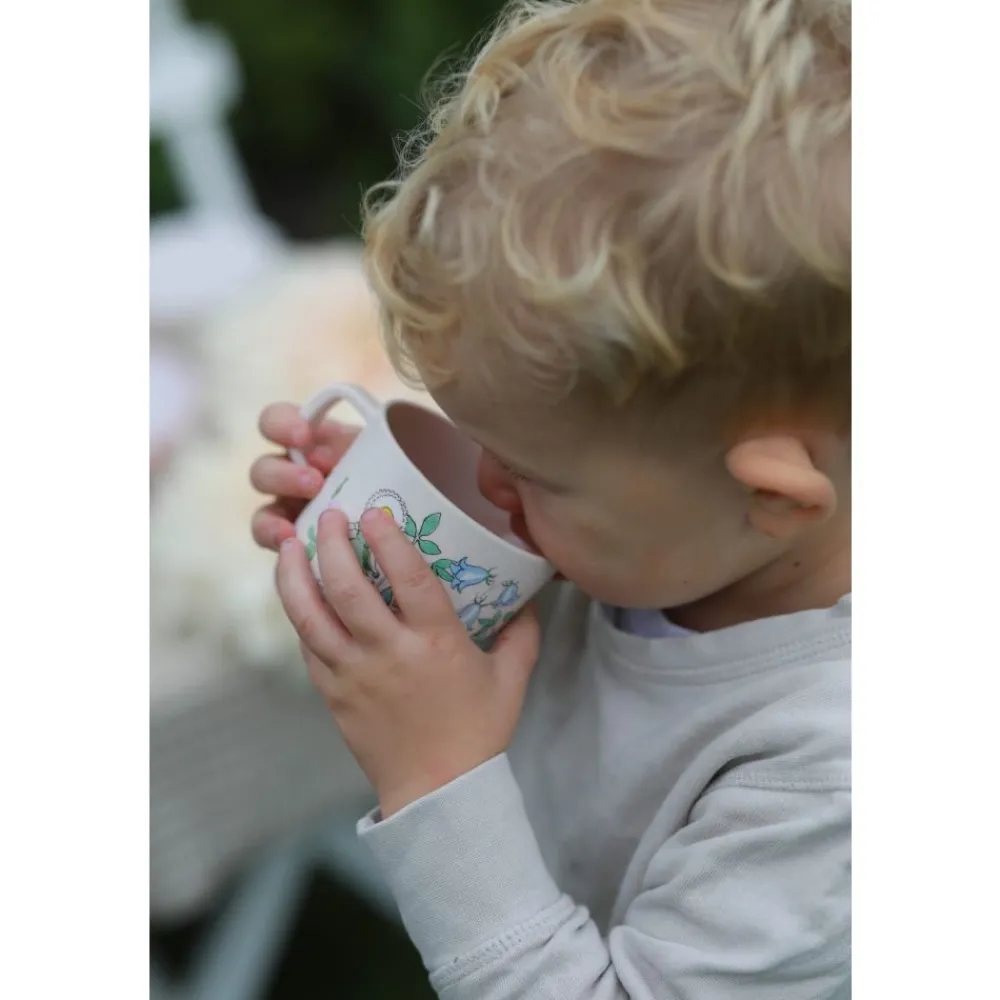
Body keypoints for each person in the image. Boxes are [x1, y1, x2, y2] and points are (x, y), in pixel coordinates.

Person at [250, 1, 851, 997]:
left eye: (528, 472)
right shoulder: (689, 527)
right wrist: (417, 529)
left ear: (773, 498)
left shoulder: (829, 782)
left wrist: (435, 776)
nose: (486, 480)